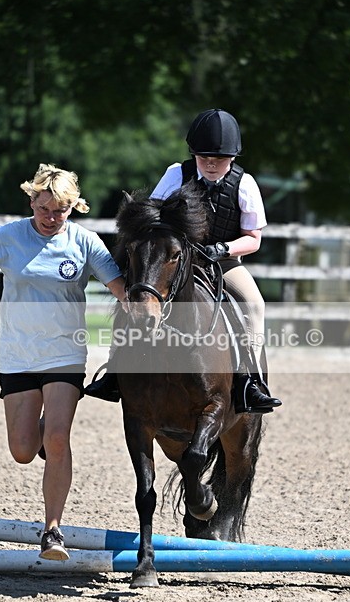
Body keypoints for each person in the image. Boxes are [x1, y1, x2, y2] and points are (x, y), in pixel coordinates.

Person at [0, 164, 126, 560]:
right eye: (44, 209)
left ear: (73, 207)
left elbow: (121, 289)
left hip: (64, 355)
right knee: (23, 450)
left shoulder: (85, 242)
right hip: (17, 355)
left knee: (57, 438)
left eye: (61, 211)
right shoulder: (7, 237)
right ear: (31, 201)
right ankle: (42, 427)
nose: (51, 218)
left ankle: (53, 530)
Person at [87, 108, 281, 414]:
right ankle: (114, 371)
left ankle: (249, 382)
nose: (211, 164)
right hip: (173, 262)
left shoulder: (245, 184)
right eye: (204, 157)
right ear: (194, 154)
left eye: (219, 158)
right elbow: (153, 216)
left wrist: (222, 249)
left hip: (222, 263)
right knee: (135, 295)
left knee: (255, 305)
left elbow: (253, 238)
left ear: (233, 157)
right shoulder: (176, 174)